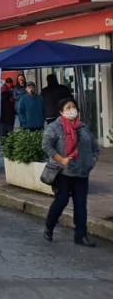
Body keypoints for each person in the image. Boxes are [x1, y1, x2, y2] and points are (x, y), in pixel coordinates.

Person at [42, 98, 98, 247]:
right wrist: (60, 159)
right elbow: (46, 146)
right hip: (64, 173)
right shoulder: (55, 127)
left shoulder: (83, 127)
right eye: (68, 107)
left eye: (74, 107)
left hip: (82, 173)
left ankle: (81, 235)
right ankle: (49, 226)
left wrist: (91, 161)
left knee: (81, 204)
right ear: (61, 111)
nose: (72, 110)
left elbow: (94, 147)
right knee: (62, 201)